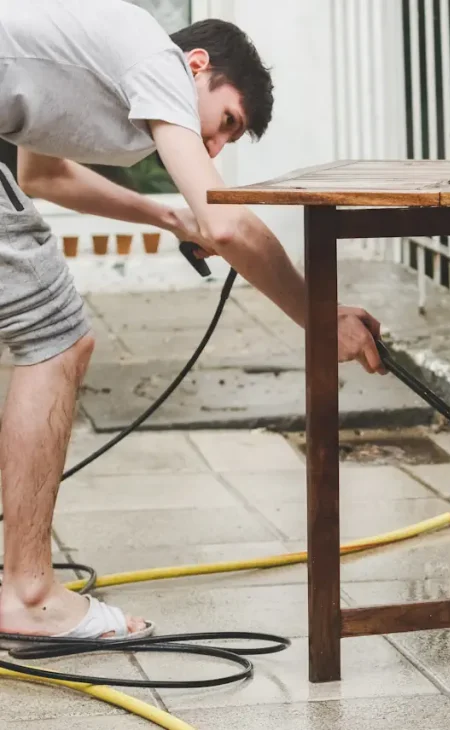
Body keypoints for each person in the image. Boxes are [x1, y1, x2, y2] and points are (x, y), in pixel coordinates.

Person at [0, 1, 385, 640]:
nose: (214, 145)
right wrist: (317, 319)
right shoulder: (155, 57)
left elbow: (45, 175)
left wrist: (173, 218)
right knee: (56, 338)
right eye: (225, 121)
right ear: (197, 65)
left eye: (228, 140)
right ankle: (29, 595)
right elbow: (228, 221)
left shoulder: (105, 76)